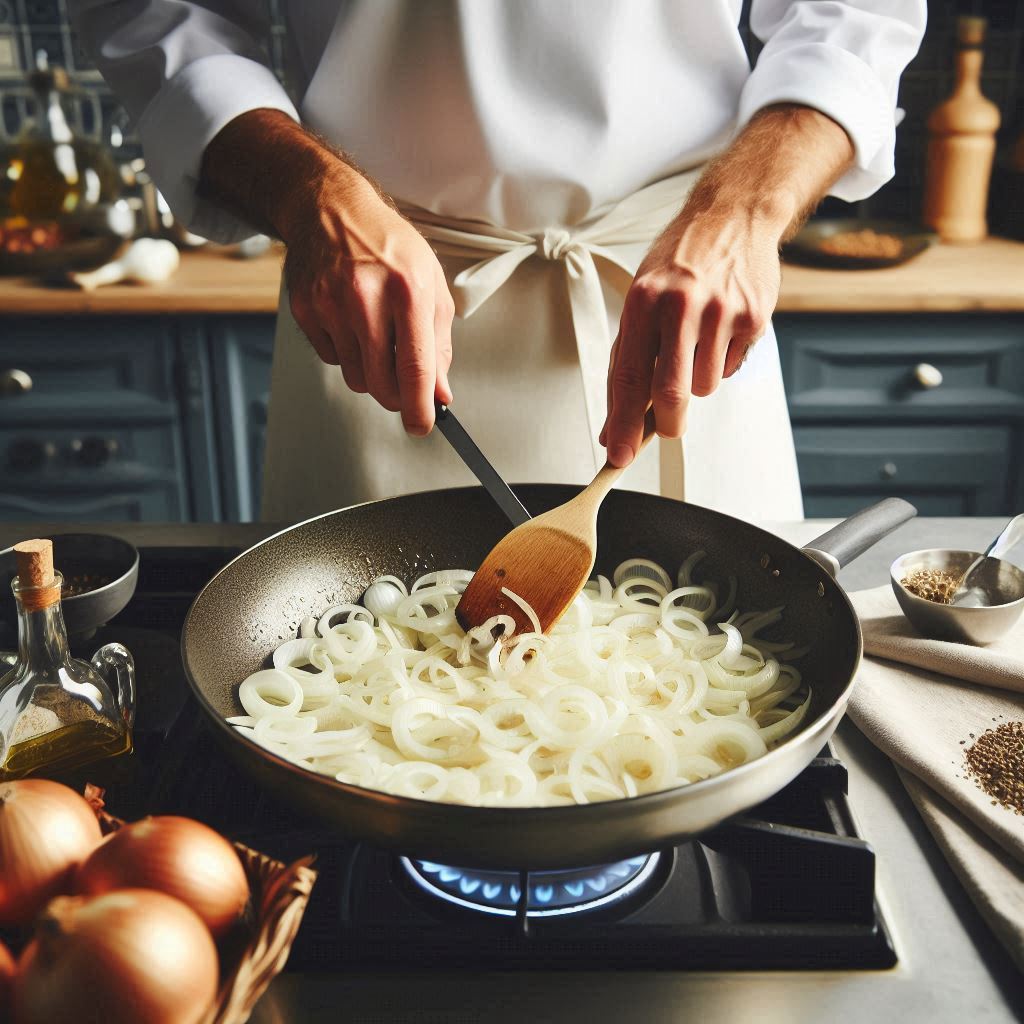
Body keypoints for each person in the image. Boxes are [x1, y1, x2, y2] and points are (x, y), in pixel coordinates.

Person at [70, 1, 925, 524]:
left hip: (681, 289)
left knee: (742, 664)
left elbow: (856, 12)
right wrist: (313, 197)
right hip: (372, 298)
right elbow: (162, 14)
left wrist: (743, 211)